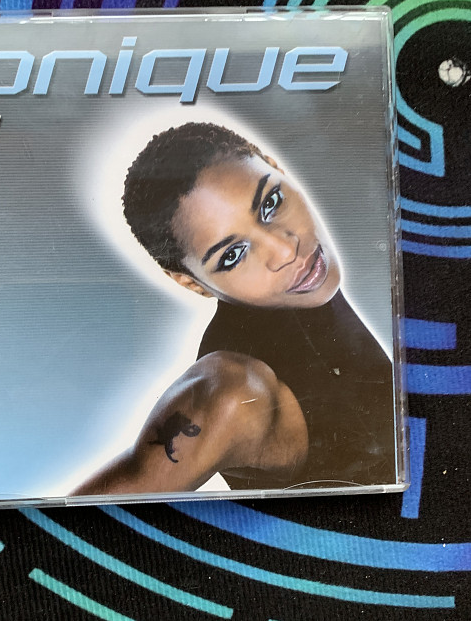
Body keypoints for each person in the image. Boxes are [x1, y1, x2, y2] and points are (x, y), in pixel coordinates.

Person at [72, 122, 395, 497]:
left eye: (270, 204)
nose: (285, 250)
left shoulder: (298, 284)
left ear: (276, 167)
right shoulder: (233, 393)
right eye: (232, 255)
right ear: (191, 283)